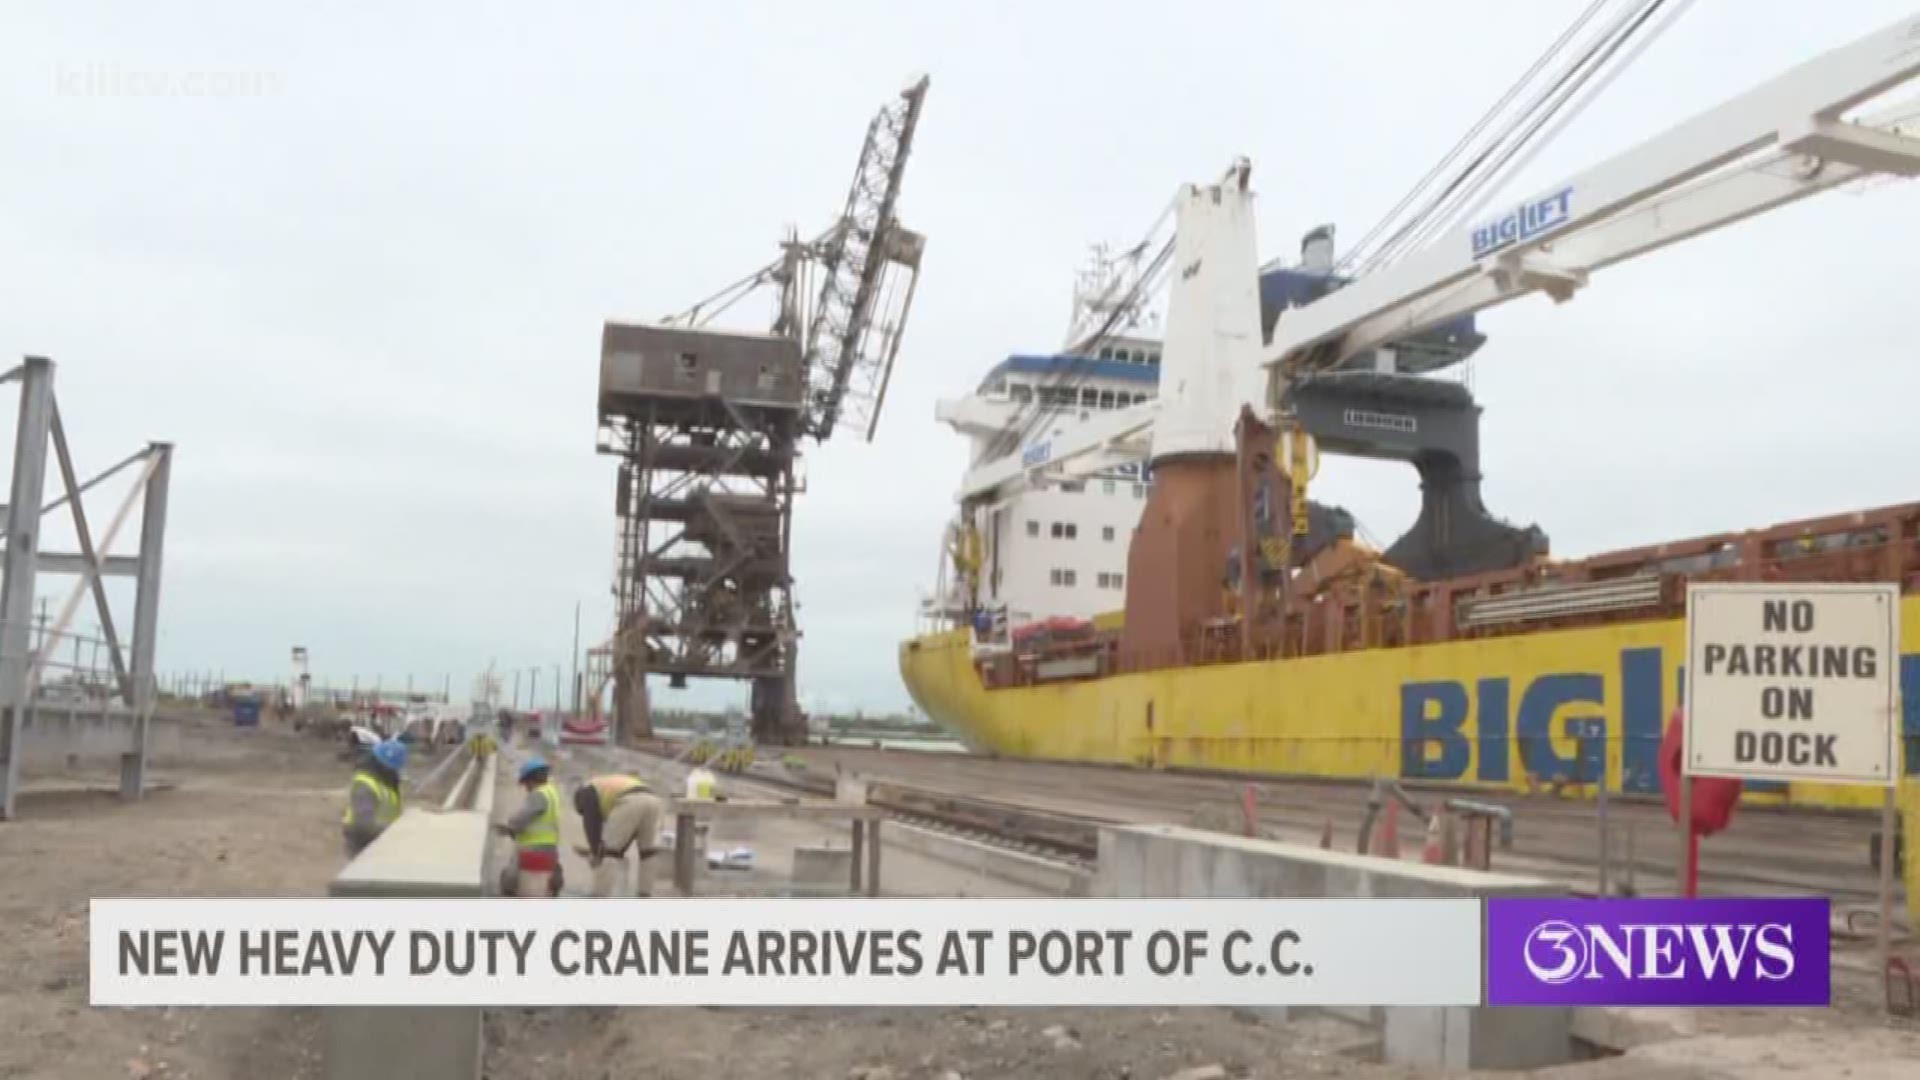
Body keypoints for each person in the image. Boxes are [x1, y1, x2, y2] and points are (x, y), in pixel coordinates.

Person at [572, 774, 667, 897]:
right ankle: (645, 894)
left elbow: (592, 825)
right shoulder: (605, 787)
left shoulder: (586, 793)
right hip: (654, 800)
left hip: (630, 800)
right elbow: (625, 833)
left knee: (609, 852)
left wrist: (596, 853)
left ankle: (599, 895)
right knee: (648, 852)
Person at [496, 756, 564, 897]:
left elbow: (523, 817)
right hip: (550, 846)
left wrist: (510, 826)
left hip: (532, 847)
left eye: (526, 783)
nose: (526, 788)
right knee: (547, 879)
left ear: (531, 779)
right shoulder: (551, 791)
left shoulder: (538, 795)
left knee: (510, 880)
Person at [342, 738, 406, 859]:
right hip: (363, 845)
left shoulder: (386, 782)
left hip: (381, 841)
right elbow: (363, 825)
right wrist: (396, 831)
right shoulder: (366, 785)